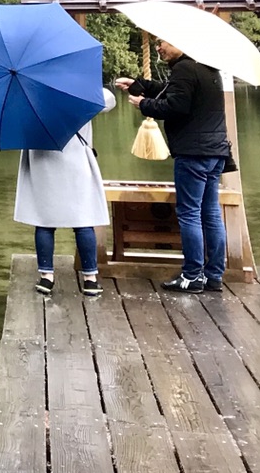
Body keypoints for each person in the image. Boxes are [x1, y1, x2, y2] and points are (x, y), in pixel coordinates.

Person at [117, 39, 230, 293]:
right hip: (215, 151)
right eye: (156, 43)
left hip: (193, 153)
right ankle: (213, 275)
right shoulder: (207, 66)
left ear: (181, 42)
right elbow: (171, 90)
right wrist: (138, 85)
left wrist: (143, 104)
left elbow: (176, 106)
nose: (158, 48)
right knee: (210, 212)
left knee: (189, 213)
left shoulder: (185, 68)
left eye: (162, 43)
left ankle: (191, 275)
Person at [16, 88, 114, 298]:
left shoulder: (29, 95)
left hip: (42, 161)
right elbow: (109, 100)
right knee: (83, 219)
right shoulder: (78, 94)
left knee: (44, 221)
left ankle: (46, 277)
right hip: (76, 161)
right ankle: (90, 280)